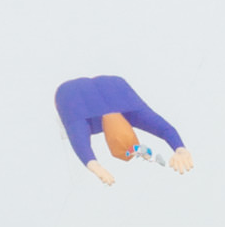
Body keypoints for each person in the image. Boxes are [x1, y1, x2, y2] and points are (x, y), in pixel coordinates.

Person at [52, 75, 193, 187]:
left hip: (90, 91)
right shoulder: (133, 113)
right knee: (74, 130)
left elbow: (165, 129)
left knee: (76, 130)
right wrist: (94, 165)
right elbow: (165, 129)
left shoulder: (134, 112)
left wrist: (180, 148)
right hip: (73, 94)